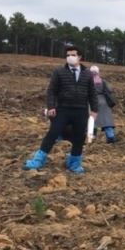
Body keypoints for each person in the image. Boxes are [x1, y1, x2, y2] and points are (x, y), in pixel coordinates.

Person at [24, 45, 98, 173]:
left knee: (79, 137)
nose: (70, 57)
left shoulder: (87, 74)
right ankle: (38, 160)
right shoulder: (59, 72)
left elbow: (92, 93)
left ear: (80, 57)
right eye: (68, 55)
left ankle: (74, 163)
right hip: (63, 109)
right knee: (53, 133)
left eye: (73, 55)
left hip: (80, 111)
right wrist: (51, 106)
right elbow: (51, 91)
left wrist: (94, 110)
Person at [89, 65, 117, 143]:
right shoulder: (102, 81)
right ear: (98, 72)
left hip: (92, 102)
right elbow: (108, 91)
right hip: (104, 102)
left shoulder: (88, 82)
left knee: (92, 121)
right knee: (107, 121)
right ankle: (110, 137)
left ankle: (91, 138)